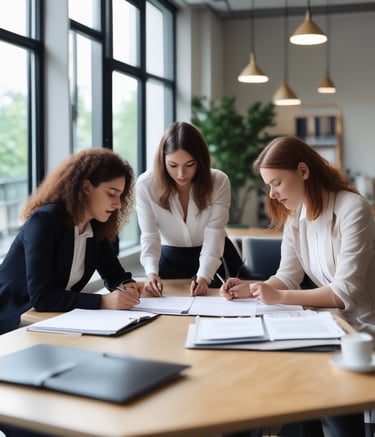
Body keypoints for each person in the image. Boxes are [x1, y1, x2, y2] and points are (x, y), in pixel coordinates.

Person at [220, 136, 375, 437]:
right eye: (268, 185)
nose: (272, 194)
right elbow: (287, 276)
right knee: (293, 391)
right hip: (329, 325)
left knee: (316, 395)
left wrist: (277, 296)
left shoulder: (352, 209)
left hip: (363, 329)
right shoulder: (296, 217)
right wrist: (253, 288)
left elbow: (344, 292)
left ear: (303, 171)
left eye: (276, 182)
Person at [0, 148, 144, 335]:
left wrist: (128, 287)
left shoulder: (94, 228)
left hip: (49, 322)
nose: (118, 204)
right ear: (86, 188)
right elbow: (42, 298)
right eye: (111, 193)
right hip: (12, 324)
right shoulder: (44, 221)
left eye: (120, 195)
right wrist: (103, 301)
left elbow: (115, 275)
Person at [136, 121, 247, 297]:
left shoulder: (219, 181)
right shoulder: (146, 185)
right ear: (162, 160)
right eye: (173, 165)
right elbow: (150, 235)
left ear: (200, 161)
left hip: (217, 256)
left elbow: (214, 232)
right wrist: (151, 273)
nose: (181, 174)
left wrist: (204, 276)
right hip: (171, 257)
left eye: (189, 165)